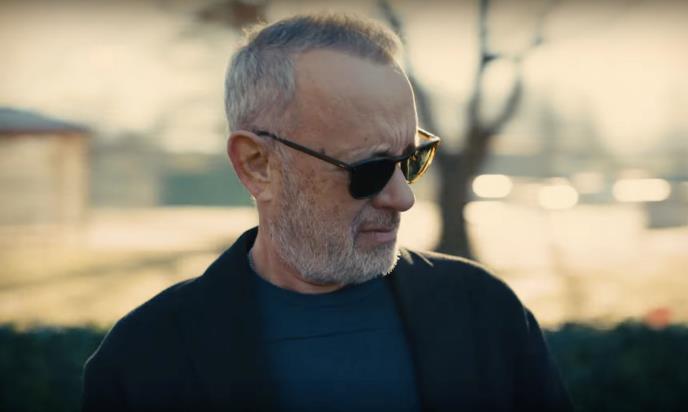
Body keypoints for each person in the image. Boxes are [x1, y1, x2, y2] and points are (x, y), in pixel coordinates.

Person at [82, 13, 572, 412]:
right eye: (370, 169)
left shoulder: (485, 313)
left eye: (411, 160)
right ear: (257, 165)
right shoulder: (145, 356)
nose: (403, 197)